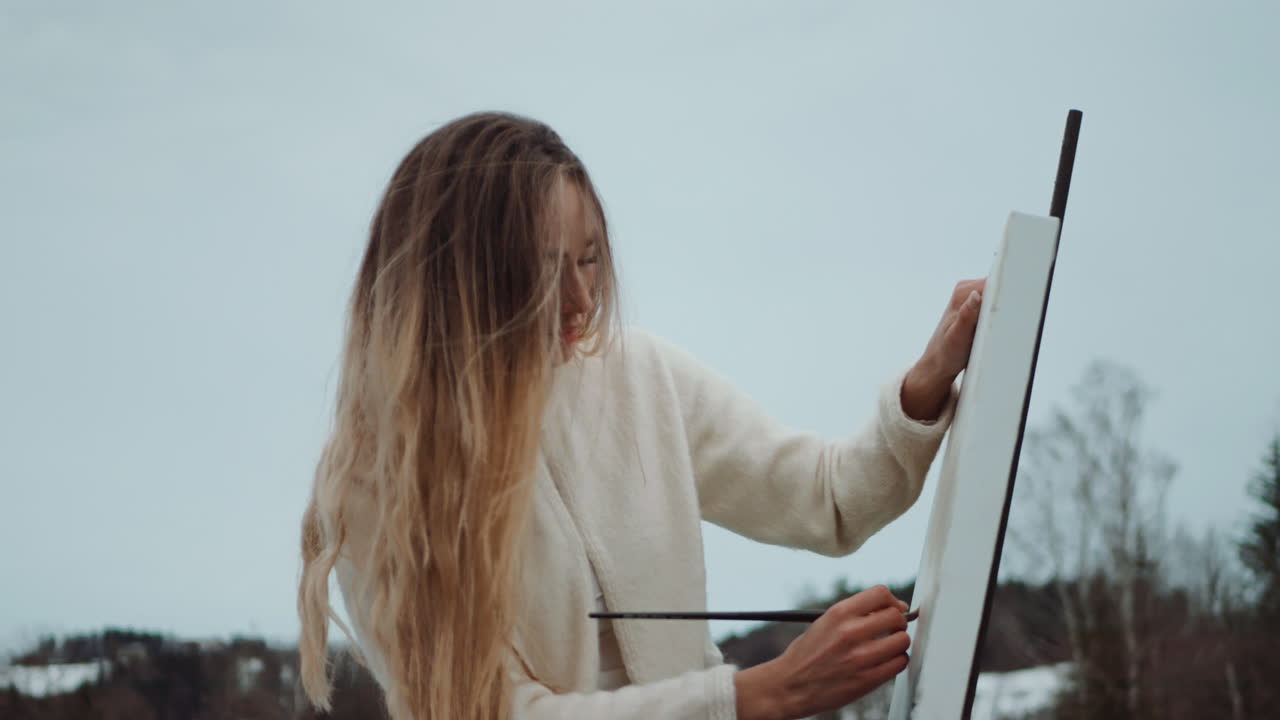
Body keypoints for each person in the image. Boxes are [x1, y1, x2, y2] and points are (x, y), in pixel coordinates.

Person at [297, 111, 984, 720]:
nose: (580, 299)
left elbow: (828, 498)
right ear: (457, 277)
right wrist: (762, 695)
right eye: (541, 270)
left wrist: (927, 383)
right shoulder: (375, 481)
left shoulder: (643, 377)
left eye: (590, 260)